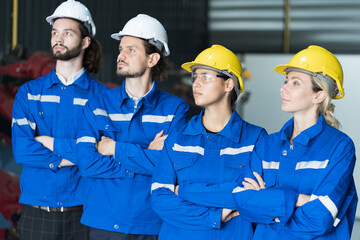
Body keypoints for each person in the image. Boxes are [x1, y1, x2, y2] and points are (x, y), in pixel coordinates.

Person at [178, 45, 358, 239]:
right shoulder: (268, 145)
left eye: (295, 83)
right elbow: (243, 201)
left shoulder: (340, 147)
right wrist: (298, 200)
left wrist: (269, 201)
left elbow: (321, 218)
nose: (284, 88)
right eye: (286, 81)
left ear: (319, 95)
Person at [76, 14, 189, 240]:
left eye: (131, 50)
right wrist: (146, 153)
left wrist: (116, 148)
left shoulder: (175, 109)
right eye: (120, 49)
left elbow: (173, 168)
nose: (121, 56)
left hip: (151, 224)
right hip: (103, 222)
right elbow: (87, 164)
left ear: (152, 59)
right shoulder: (97, 105)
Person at [11, 0, 109, 239]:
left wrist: (48, 143)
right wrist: (78, 155)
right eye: (55, 32)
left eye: (67, 33)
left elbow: (104, 152)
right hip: (37, 214)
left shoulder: (102, 99)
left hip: (84, 213)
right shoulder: (30, 93)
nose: (58, 38)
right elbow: (23, 150)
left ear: (85, 42)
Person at [150, 44, 267, 240]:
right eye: (195, 77)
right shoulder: (177, 138)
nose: (195, 84)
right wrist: (214, 215)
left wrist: (181, 190)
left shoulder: (255, 139)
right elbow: (160, 199)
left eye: (205, 77)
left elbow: (248, 197)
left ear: (228, 84)